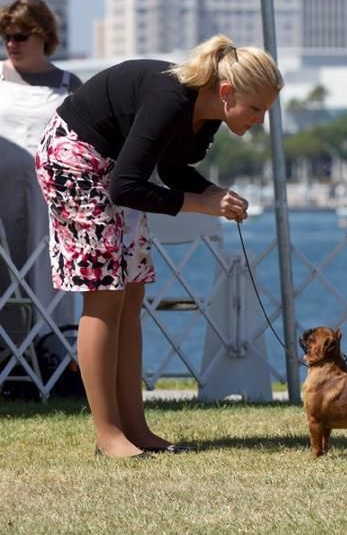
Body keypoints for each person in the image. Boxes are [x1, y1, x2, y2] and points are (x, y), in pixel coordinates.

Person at [35, 33, 283, 457]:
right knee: (105, 298)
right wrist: (199, 204)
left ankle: (136, 429)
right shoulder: (171, 100)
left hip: (114, 173)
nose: (260, 119)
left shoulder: (205, 118)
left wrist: (212, 193)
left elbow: (171, 168)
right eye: (256, 108)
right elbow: (127, 186)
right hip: (74, 163)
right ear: (226, 93)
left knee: (131, 298)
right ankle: (108, 434)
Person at [0, 0, 82, 380]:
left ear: (43, 36)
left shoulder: (69, 84)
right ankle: (9, 357)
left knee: (49, 274)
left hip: (52, 202)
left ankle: (55, 355)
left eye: (19, 35)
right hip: (3, 196)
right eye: (5, 36)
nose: (11, 44)